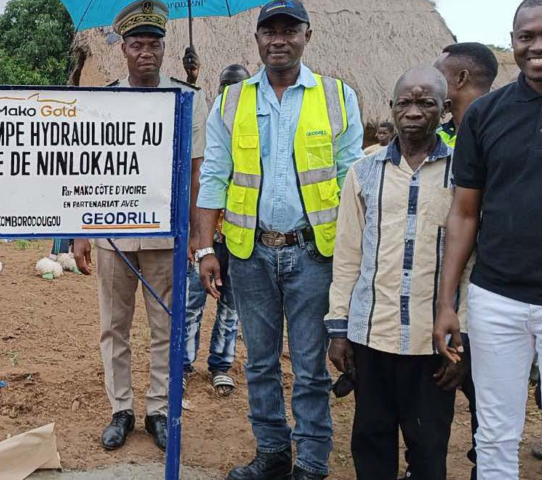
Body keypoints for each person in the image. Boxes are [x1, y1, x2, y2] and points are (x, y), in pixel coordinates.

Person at [196, 0, 364, 478]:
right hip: (249, 253)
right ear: (257, 39)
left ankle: (310, 461)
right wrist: (206, 248)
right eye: (269, 31)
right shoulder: (231, 101)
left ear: (307, 35)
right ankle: (272, 452)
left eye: (289, 29)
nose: (279, 39)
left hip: (314, 253)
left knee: (310, 366)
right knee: (259, 363)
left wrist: (355, 254)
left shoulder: (337, 96)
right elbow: (214, 176)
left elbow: (353, 178)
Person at [435, 0, 542, 478]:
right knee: (493, 435)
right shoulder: (486, 114)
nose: (538, 46)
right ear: (512, 40)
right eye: (526, 36)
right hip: (497, 301)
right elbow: (464, 213)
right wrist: (447, 303)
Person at [71, 0, 208, 452]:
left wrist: (196, 233)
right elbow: (89, 168)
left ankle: (159, 410)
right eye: (137, 45)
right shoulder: (107, 100)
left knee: (165, 328)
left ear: (164, 49)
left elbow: (196, 169)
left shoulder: (187, 99)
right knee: (114, 327)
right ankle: (122, 409)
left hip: (166, 235)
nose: (146, 52)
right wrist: (81, 231)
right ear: (124, 50)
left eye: (153, 44)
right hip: (113, 233)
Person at [326, 66, 467, 480]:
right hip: (373, 336)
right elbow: (348, 255)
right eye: (405, 102)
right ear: (391, 107)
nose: (414, 112)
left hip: (433, 343)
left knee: (428, 446)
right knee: (371, 440)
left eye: (426, 103)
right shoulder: (364, 172)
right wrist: (339, 329)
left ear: (444, 109)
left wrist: (465, 339)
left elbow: (472, 263)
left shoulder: (464, 173)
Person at [430, 40, 498, 480]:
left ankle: (485, 466)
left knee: (487, 396)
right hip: (445, 286)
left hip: (489, 286)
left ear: (459, 78)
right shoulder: (441, 136)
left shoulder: (501, 130)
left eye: (438, 75)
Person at [183, 63, 250, 397]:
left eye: (238, 86)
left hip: (241, 238)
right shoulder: (210, 127)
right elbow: (195, 181)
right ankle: (182, 364)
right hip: (206, 236)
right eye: (226, 85)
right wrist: (195, 234)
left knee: (230, 306)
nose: (231, 92)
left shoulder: (256, 132)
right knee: (191, 302)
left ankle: (221, 366)